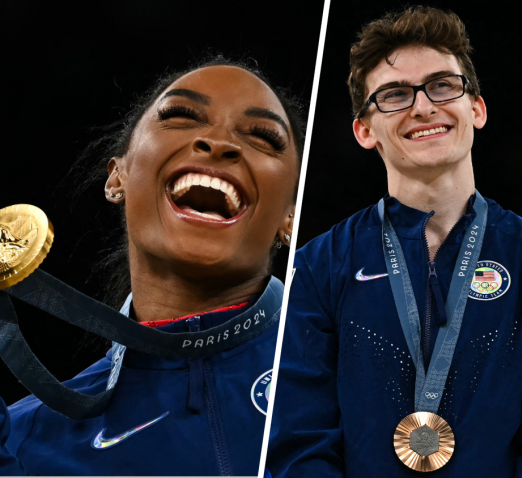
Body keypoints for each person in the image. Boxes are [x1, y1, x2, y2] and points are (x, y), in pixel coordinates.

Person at [266, 6, 522, 477]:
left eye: (443, 86)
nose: (424, 107)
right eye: (396, 95)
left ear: (476, 108)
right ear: (365, 131)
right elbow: (297, 439)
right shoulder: (318, 267)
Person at [0, 57, 304, 475]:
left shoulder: (356, 365)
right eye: (180, 116)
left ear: (290, 216)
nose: (218, 142)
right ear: (116, 178)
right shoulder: (23, 441)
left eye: (263, 137)